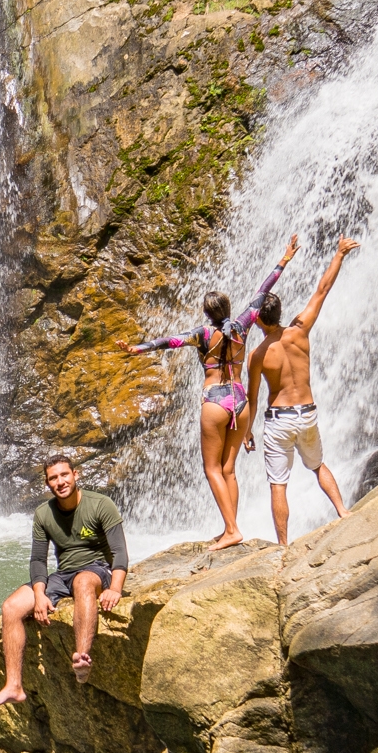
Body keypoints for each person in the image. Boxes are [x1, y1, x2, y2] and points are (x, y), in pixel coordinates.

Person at [119, 234, 298, 548]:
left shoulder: (203, 334)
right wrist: (284, 259)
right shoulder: (243, 324)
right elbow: (263, 289)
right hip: (240, 400)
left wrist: (137, 349)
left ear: (207, 313)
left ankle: (232, 529)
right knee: (229, 468)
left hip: (215, 399)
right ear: (228, 308)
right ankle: (231, 526)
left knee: (211, 467)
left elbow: (167, 342)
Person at [0, 454, 128, 703]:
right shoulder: (43, 514)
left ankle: (81, 659)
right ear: (48, 483)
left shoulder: (100, 504)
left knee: (83, 582)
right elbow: (38, 560)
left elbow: (119, 552)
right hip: (63, 575)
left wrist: (115, 588)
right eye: (53, 478)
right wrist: (39, 595)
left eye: (64, 475)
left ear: (75, 475)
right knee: (11, 607)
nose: (60, 482)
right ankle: (14, 686)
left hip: (97, 568)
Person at [251, 236, 359, 544]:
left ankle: (283, 545)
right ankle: (342, 511)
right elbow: (322, 290)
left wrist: (246, 432)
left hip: (279, 420)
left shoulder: (257, 355)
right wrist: (338, 253)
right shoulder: (300, 329)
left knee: (278, 485)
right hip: (307, 414)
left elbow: (253, 398)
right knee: (317, 465)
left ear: (258, 319)